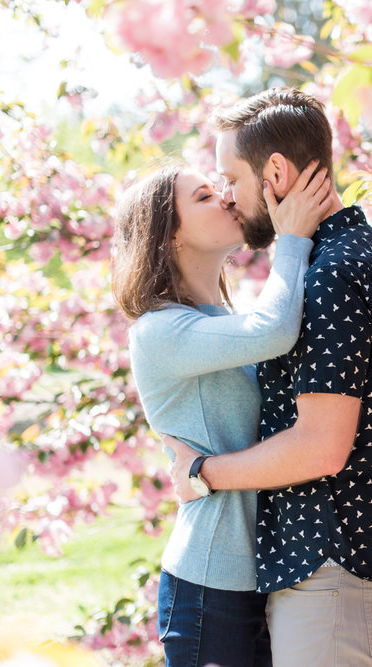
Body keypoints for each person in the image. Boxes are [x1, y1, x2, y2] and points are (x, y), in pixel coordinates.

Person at [166, 87, 372, 667]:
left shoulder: (332, 273)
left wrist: (202, 474)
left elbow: (320, 447)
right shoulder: (336, 254)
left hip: (338, 562)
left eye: (230, 179)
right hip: (337, 563)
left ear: (277, 172)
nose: (229, 199)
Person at [111, 157, 334, 667]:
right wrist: (293, 237)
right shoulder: (161, 330)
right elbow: (275, 331)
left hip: (268, 575)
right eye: (205, 197)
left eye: (221, 189)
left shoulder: (223, 321)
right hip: (211, 585)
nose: (227, 199)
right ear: (168, 235)